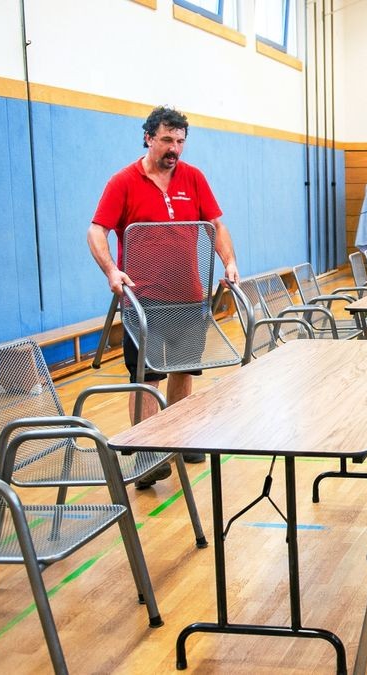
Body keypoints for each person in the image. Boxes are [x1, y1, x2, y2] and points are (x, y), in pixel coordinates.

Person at [88, 105, 240, 487]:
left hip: (189, 296)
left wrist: (230, 262)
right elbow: (96, 231)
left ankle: (180, 435)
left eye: (180, 141)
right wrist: (111, 271)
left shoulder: (194, 179)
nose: (174, 148)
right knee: (146, 378)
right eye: (167, 140)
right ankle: (147, 451)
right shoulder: (123, 182)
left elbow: (217, 226)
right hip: (144, 301)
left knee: (184, 371)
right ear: (148, 138)